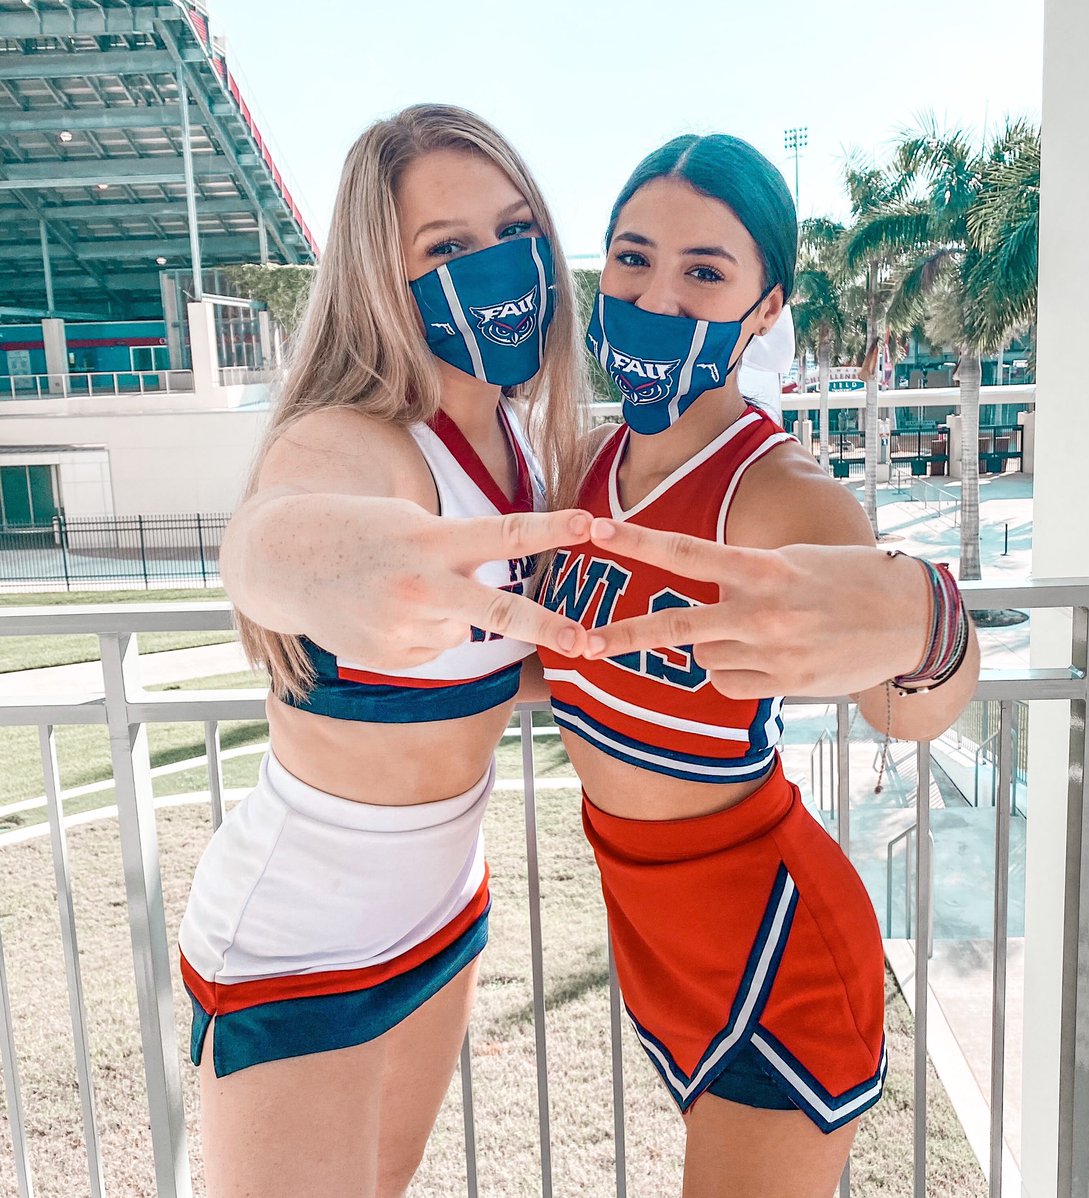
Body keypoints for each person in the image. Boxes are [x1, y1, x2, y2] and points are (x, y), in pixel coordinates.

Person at [538, 134, 979, 1198]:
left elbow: (909, 712)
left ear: (765, 306)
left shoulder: (784, 496)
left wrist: (930, 619)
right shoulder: (581, 465)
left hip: (775, 956)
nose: (655, 295)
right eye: (633, 259)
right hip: (657, 939)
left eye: (704, 272)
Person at [177, 104, 592, 1198]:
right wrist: (306, 561)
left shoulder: (522, 448)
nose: (494, 269)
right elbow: (273, 540)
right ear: (379, 276)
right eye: (446, 251)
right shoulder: (356, 439)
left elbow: (498, 656)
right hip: (298, 946)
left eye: (514, 232)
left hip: (442, 910)